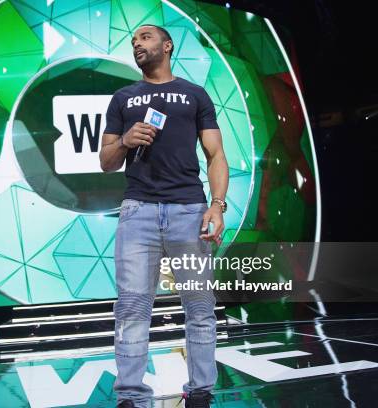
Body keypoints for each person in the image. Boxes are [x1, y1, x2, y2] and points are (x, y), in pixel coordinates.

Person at [99, 24, 229, 408]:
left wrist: (217, 205)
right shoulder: (123, 98)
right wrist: (124, 140)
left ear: (167, 45)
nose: (137, 43)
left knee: (200, 306)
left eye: (145, 37)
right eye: (133, 40)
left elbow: (216, 156)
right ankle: (131, 397)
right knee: (133, 306)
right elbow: (106, 162)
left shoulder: (194, 94)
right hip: (138, 211)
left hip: (190, 210)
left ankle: (201, 392)